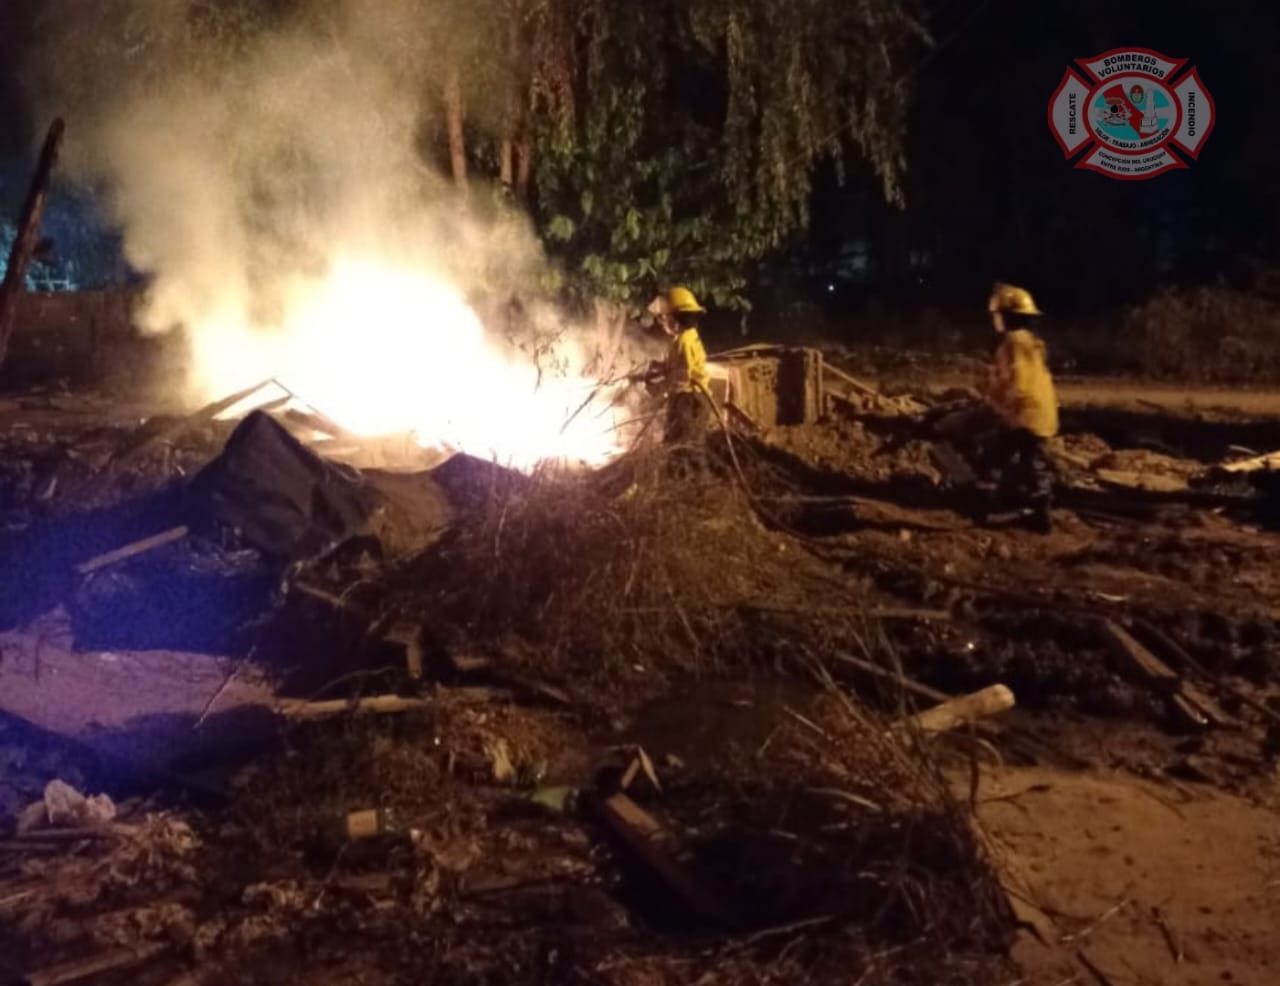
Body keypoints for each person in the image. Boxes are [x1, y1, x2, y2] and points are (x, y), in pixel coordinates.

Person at [978, 282, 1059, 533]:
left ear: (1006, 316)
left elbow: (1019, 383)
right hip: (1043, 417)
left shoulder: (1012, 343)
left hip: (1023, 415)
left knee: (993, 457)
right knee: (1031, 463)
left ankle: (987, 505)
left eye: (997, 314)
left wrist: (999, 405)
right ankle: (1037, 509)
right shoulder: (1032, 343)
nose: (995, 319)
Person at [642, 286, 713, 475]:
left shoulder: (684, 342)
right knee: (684, 447)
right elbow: (679, 367)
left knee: (682, 447)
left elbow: (681, 377)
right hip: (689, 399)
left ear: (674, 318)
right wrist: (660, 367)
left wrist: (658, 388)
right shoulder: (685, 338)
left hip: (689, 401)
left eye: (663, 318)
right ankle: (689, 482)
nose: (662, 323)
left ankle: (690, 485)